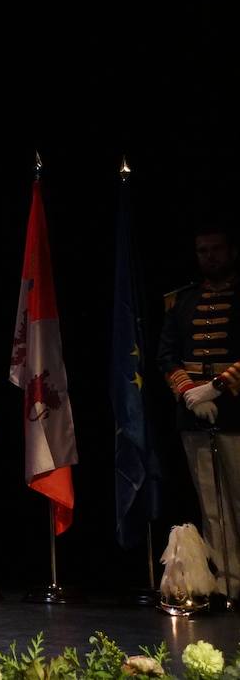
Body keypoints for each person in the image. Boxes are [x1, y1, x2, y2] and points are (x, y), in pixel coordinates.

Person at [159, 225, 240, 598]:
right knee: (211, 503)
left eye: (216, 249)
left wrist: (218, 387)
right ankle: (227, 580)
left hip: (235, 408)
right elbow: (167, 355)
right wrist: (191, 392)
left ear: (230, 250)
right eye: (203, 250)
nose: (210, 257)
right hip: (194, 411)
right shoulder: (183, 301)